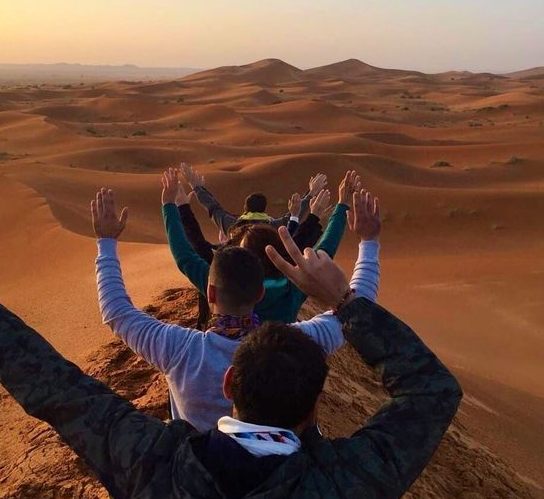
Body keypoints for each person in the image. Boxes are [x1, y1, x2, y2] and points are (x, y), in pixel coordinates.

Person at [0, 192, 461, 499]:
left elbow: (61, 383)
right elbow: (431, 391)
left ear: (230, 383)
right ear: (315, 404)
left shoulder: (153, 458)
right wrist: (348, 289)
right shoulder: (343, 489)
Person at [93, 185, 379, 432]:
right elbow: (358, 304)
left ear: (210, 293)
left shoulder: (179, 349)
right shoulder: (301, 345)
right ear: (259, 293)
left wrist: (107, 242)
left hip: (197, 469)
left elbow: (117, 311)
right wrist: (368, 240)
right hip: (281, 468)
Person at [163, 167, 363, 323]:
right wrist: (328, 205)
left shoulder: (221, 270)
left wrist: (181, 201)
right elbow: (321, 248)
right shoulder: (292, 288)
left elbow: (188, 251)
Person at [176, 184, 335, 329]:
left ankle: (203, 322)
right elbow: (296, 242)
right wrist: (309, 210)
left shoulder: (230, 225)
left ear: (245, 208)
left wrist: (189, 197)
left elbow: (211, 213)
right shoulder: (291, 288)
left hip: (222, 306)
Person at [181, 162, 327, 236]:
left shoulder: (232, 226)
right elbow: (296, 214)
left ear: (245, 208)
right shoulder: (275, 226)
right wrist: (311, 193)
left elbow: (212, 207)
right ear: (264, 209)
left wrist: (196, 187)